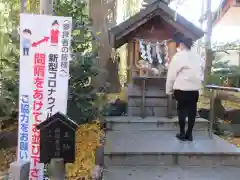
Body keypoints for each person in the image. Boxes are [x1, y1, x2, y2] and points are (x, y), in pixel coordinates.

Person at [166, 36, 202, 141]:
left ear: (181, 44)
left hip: (181, 88)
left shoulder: (179, 56)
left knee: (182, 110)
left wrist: (169, 90)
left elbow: (172, 75)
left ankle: (182, 133)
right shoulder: (197, 56)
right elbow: (200, 73)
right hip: (194, 89)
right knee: (192, 111)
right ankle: (189, 134)